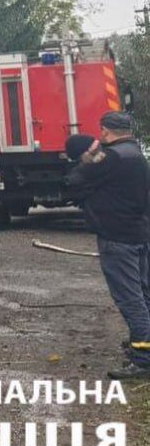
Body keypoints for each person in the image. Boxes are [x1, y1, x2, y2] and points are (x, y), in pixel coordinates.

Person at [63, 111, 150, 378]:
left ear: (104, 131)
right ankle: (143, 342)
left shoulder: (111, 157)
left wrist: (86, 160)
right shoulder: (136, 154)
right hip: (139, 235)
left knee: (130, 299)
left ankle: (143, 357)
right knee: (144, 293)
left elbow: (73, 182)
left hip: (117, 238)